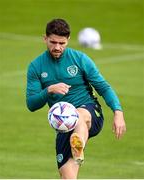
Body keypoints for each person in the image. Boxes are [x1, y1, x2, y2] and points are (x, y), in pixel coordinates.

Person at [26, 18, 126, 179]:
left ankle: (77, 140)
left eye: (62, 43)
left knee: (78, 115)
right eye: (53, 42)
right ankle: (76, 145)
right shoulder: (36, 66)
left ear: (68, 41)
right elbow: (31, 104)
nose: (57, 47)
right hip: (62, 124)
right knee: (67, 177)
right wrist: (49, 90)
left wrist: (118, 111)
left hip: (89, 112)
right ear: (44, 38)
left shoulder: (80, 59)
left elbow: (103, 87)